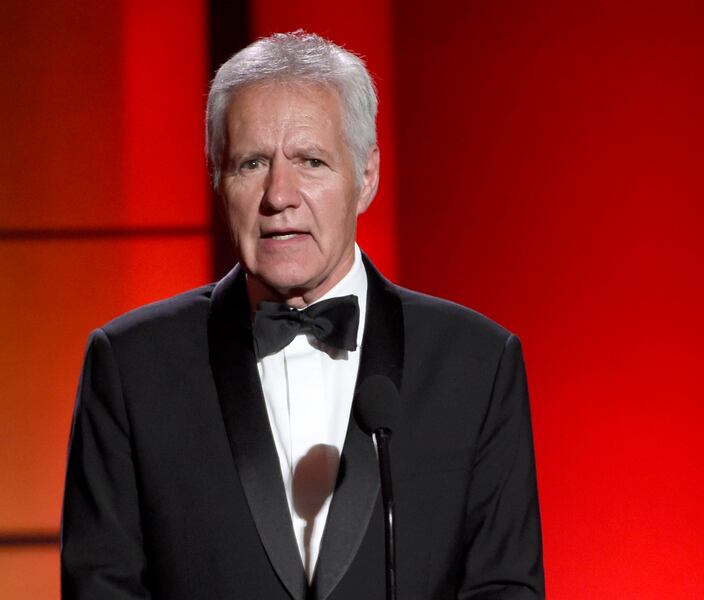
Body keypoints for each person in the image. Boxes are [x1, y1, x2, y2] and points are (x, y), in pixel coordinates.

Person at [61, 31, 544, 599]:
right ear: (218, 177)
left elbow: (504, 588)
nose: (279, 195)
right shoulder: (132, 367)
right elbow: (103, 588)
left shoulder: (476, 364)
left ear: (366, 177)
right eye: (252, 163)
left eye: (310, 161)